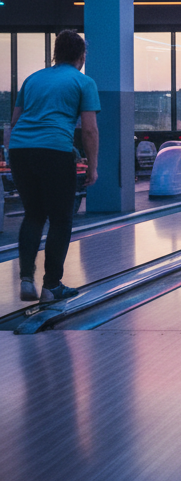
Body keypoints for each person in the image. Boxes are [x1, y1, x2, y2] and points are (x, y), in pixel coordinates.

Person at [10, 30, 100, 303]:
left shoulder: (33, 79)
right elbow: (89, 131)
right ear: (81, 56)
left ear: (56, 54)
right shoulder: (83, 82)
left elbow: (15, 121)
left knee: (33, 214)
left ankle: (26, 279)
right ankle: (51, 286)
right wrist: (93, 167)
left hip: (20, 150)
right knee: (61, 219)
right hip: (53, 151)